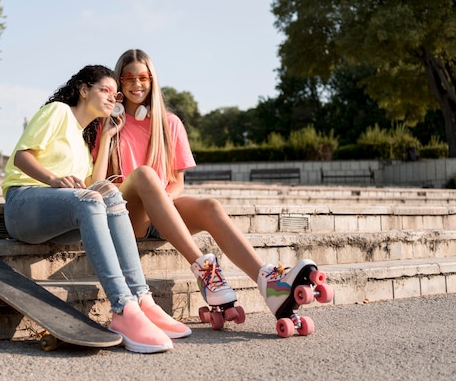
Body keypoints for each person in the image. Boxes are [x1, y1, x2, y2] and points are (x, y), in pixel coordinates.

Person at [92, 49, 326, 325]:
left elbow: (177, 182)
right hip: (128, 216)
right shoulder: (107, 124)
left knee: (210, 206)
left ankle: (269, 283)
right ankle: (205, 270)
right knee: (144, 175)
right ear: (119, 82)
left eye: (143, 77)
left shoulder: (170, 124)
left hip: (163, 211)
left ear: (153, 80)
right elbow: (99, 182)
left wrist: (162, 202)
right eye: (128, 77)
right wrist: (108, 133)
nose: (136, 84)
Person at [1, 64, 191, 354]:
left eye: (115, 95)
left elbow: (95, 183)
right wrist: (54, 179)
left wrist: (106, 139)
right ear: (83, 89)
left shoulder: (83, 138)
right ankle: (123, 308)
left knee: (110, 193)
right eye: (105, 90)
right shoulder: (58, 112)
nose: (111, 98)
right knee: (91, 199)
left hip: (63, 216)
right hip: (24, 204)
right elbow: (20, 157)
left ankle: (142, 300)